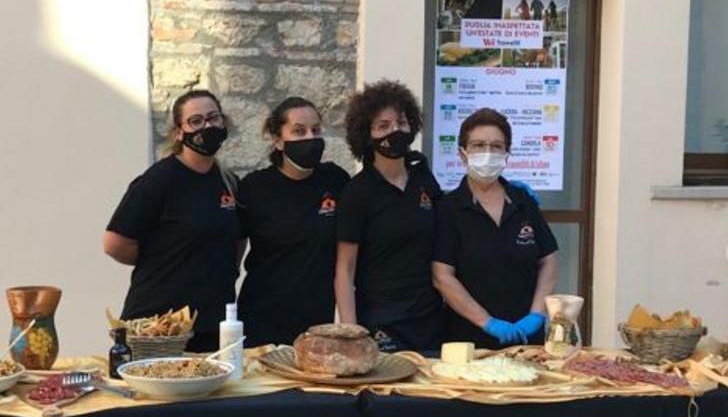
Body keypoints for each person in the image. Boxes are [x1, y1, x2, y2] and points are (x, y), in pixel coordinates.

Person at [103, 89, 242, 352]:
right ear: (179, 132)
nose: (207, 126)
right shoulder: (159, 180)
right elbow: (114, 243)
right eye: (196, 121)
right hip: (160, 324)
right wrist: (158, 256)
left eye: (213, 118)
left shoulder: (229, 182)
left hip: (212, 322)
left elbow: (237, 237)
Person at [432, 108, 559, 350]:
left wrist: (537, 314)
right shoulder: (449, 209)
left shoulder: (523, 202)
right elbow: (442, 276)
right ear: (463, 154)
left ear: (507, 154)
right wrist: (488, 323)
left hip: (527, 339)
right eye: (478, 145)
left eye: (496, 146)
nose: (487, 153)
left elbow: (548, 261)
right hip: (469, 340)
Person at [335, 80, 445, 352]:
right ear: (366, 134)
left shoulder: (422, 177)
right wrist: (351, 334)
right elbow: (345, 270)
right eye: (383, 126)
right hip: (381, 321)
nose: (395, 130)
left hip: (429, 319)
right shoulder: (357, 192)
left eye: (401, 122)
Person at [236, 97, 351, 346]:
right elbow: (235, 248)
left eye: (316, 130)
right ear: (278, 140)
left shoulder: (335, 180)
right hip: (261, 320)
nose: (310, 137)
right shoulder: (254, 187)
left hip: (317, 324)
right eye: (299, 131)